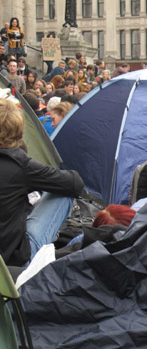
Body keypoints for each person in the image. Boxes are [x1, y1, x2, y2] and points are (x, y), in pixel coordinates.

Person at [0, 98, 84, 266]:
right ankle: (41, 257)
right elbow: (75, 183)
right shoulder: (20, 165)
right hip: (13, 261)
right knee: (63, 192)